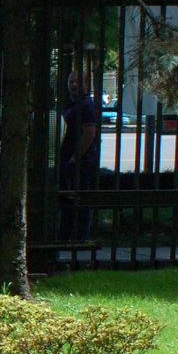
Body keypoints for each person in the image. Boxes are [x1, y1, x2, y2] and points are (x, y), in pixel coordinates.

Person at [58, 68, 100, 241]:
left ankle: (80, 238)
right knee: (69, 200)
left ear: (86, 84)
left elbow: (89, 133)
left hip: (80, 162)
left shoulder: (86, 105)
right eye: (71, 82)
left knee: (79, 199)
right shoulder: (74, 104)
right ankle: (66, 237)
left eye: (77, 82)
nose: (73, 85)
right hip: (69, 159)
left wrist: (76, 156)